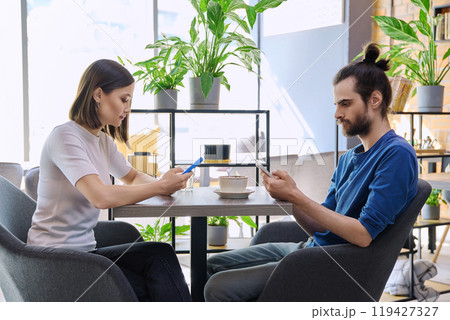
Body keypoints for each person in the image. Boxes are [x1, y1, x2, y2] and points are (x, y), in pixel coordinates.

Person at [204, 43, 419, 302]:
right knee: (210, 265)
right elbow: (321, 226)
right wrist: (288, 198)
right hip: (309, 251)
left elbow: (363, 236)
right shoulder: (348, 159)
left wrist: (297, 197)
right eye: (337, 104)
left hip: (332, 267)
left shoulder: (396, 154)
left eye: (346, 104)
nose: (337, 114)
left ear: (375, 100)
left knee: (217, 287)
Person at [27, 59, 193, 302]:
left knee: (160, 255)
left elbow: (132, 176)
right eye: (124, 99)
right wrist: (159, 187)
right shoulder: (65, 136)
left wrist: (166, 183)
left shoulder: (102, 141)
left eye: (130, 101)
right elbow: (100, 197)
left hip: (84, 252)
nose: (127, 108)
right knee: (151, 287)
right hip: (55, 260)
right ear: (98, 94)